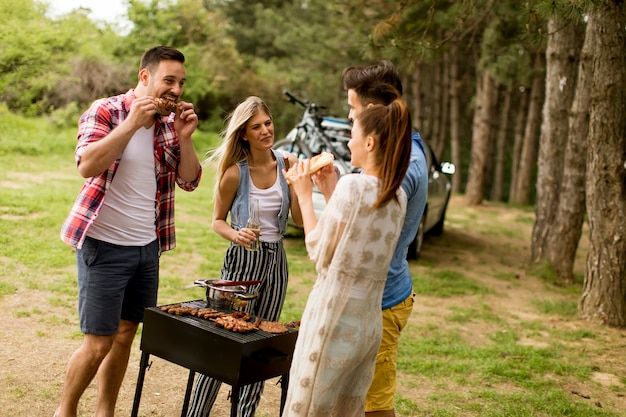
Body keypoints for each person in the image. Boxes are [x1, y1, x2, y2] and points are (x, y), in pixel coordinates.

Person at [55, 45, 202, 417]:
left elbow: (189, 180)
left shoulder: (169, 125)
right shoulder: (106, 110)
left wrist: (185, 137)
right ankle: (65, 411)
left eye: (181, 82)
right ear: (145, 77)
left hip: (146, 248)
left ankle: (106, 412)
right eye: (169, 80)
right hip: (104, 245)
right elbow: (87, 164)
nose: (177, 89)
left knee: (124, 338)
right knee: (98, 343)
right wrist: (132, 124)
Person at [282, 96, 413, 416]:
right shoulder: (399, 195)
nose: (348, 141)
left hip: (332, 318)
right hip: (366, 324)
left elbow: (320, 251)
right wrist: (330, 189)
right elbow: (352, 240)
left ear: (369, 142)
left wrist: (303, 193)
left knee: (310, 408)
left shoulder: (353, 187)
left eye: (352, 133)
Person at [186, 96, 303, 417]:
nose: (266, 130)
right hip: (242, 261)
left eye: (267, 123)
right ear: (243, 134)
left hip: (276, 261)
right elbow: (217, 221)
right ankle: (196, 413)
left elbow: (301, 221)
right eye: (256, 127)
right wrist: (236, 233)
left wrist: (300, 185)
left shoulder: (287, 164)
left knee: (260, 344)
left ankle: (244, 413)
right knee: (223, 341)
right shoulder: (235, 174)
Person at [341, 61, 428, 417]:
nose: (349, 116)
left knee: (374, 406)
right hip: (377, 295)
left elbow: (359, 241)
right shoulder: (399, 148)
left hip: (381, 301)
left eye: (352, 107)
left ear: (373, 111)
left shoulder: (401, 168)